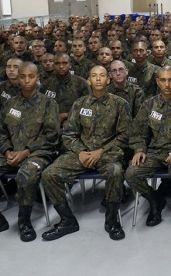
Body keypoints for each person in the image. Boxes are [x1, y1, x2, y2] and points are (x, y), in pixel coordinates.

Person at [41, 65, 131, 241]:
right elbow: (68, 134)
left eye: (102, 75)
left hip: (107, 152)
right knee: (49, 174)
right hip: (80, 153)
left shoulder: (120, 104)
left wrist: (101, 151)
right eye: (94, 76)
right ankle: (67, 220)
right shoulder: (79, 104)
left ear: (108, 80)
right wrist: (81, 152)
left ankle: (112, 221)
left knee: (115, 172)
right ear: (88, 80)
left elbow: (126, 135)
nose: (98, 79)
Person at [0, 62, 59, 242]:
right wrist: (7, 150)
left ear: (38, 78)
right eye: (22, 76)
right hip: (9, 152)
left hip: (38, 153)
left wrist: (26, 152)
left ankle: (24, 221)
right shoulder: (10, 103)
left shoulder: (48, 103)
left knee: (25, 175)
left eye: (31, 76)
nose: (26, 80)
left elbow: (52, 136)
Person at [125, 66, 171, 228]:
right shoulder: (149, 104)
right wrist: (139, 150)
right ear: (157, 82)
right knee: (131, 173)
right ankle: (155, 201)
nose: (167, 84)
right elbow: (138, 132)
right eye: (163, 80)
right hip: (154, 152)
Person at [40, 53, 90, 128]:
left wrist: (66, 115)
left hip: (76, 124)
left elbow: (88, 109)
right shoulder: (46, 85)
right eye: (57, 63)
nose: (61, 66)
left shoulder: (81, 84)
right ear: (53, 65)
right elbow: (41, 108)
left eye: (64, 63)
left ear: (70, 65)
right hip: (51, 126)